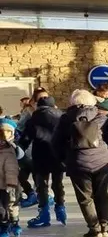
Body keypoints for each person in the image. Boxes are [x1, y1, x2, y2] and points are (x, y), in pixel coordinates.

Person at [52, 90, 108, 237]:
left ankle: (94, 228)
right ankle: (105, 227)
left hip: (77, 162)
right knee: (102, 195)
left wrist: (64, 159)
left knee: (85, 198)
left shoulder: (65, 119)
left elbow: (56, 142)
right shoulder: (102, 117)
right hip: (101, 162)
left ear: (72, 103)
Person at [21, 96, 66, 228]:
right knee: (58, 183)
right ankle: (61, 208)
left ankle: (44, 214)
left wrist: (19, 150)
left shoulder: (34, 118)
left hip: (40, 155)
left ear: (39, 106)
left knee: (42, 185)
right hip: (58, 155)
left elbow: (26, 138)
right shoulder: (62, 117)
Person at [0, 118, 21, 237]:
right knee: (2, 209)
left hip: (8, 185)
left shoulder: (10, 150)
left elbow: (11, 169)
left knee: (11, 206)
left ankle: (12, 223)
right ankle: (4, 226)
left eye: (9, 131)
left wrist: (11, 183)